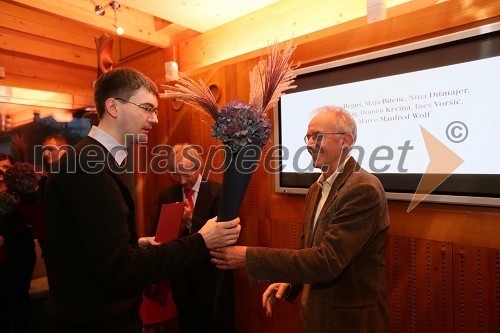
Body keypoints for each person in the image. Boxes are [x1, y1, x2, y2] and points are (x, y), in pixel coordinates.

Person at [43, 67, 241, 333]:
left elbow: (87, 242)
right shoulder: (90, 168)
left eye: (155, 111)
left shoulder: (89, 159)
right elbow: (120, 269)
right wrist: (202, 240)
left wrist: (134, 243)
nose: (155, 119)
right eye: (147, 108)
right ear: (113, 106)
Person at [211, 106, 390, 333]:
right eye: (308, 136)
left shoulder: (363, 188)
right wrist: (291, 282)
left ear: (346, 140)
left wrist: (248, 256)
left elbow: (328, 261)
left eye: (318, 136)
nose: (309, 144)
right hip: (316, 318)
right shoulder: (315, 189)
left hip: (350, 323)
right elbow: (311, 251)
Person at [149, 143, 234, 333]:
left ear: (198, 167)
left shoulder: (218, 193)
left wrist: (190, 221)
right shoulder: (167, 195)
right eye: (175, 175)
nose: (181, 181)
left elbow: (225, 234)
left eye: (186, 174)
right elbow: (158, 235)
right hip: (182, 281)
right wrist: (175, 229)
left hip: (212, 279)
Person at [0, 160, 37, 333]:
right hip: (6, 258)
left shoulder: (23, 199)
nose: (2, 171)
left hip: (21, 255)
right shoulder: (7, 201)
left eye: (6, 167)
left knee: (19, 299)